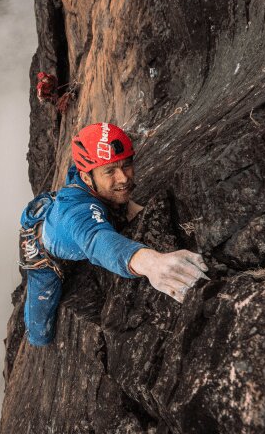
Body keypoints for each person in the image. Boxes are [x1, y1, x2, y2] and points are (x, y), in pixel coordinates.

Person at [19, 122, 208, 346]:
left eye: (126, 165)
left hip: (61, 208)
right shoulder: (77, 215)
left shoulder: (91, 182)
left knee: (116, 204)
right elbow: (97, 240)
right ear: (87, 178)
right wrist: (151, 263)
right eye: (110, 171)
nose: (124, 178)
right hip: (40, 249)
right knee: (39, 337)